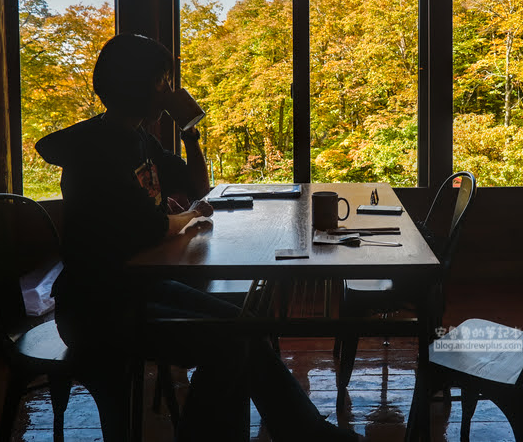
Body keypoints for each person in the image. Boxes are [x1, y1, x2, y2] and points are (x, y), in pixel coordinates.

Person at [36, 33, 358, 442]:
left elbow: (196, 184)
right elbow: (153, 226)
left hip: (137, 287)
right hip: (99, 309)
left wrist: (190, 133)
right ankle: (291, 433)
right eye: (163, 81)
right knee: (230, 342)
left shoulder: (138, 139)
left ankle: (305, 432)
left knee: (242, 326)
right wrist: (188, 216)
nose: (170, 91)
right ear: (138, 84)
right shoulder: (98, 150)